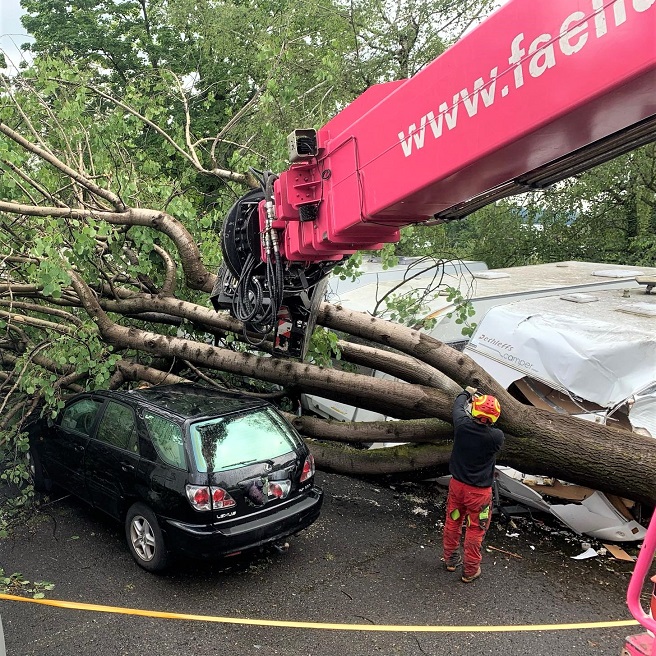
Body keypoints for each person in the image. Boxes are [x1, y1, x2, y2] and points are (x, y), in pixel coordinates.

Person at [442, 386, 504, 583]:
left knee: (454, 520)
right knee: (475, 528)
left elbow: (458, 406)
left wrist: (467, 393)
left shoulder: (461, 425)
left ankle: (451, 559)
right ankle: (470, 570)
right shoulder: (496, 437)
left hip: (457, 487)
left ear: (474, 410)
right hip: (479, 495)